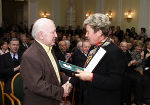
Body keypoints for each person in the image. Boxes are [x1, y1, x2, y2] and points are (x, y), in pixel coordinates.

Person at [70, 13, 127, 105]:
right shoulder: (93, 48)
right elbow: (87, 70)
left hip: (104, 100)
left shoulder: (115, 52)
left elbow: (116, 82)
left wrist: (91, 77)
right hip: (90, 97)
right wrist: (71, 82)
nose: (86, 35)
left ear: (99, 32)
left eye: (88, 32)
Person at [20, 18, 72, 105]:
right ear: (41, 35)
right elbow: (37, 85)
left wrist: (69, 79)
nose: (56, 35)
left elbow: (53, 74)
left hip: (52, 100)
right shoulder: (30, 55)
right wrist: (61, 91)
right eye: (53, 32)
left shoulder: (50, 49)